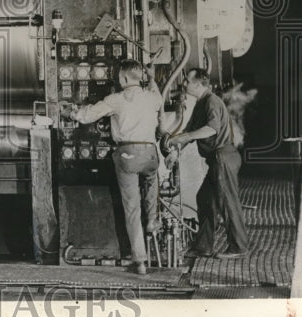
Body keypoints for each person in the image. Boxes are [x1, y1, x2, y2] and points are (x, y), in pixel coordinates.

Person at [61, 59, 163, 275]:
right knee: (152, 182)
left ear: (123, 78)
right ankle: (153, 218)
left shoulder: (116, 99)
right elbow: (159, 97)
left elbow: (87, 116)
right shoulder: (152, 97)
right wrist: (152, 77)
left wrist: (70, 113)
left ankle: (141, 261)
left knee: (132, 208)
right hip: (151, 153)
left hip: (128, 153)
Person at [168, 67, 249, 259]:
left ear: (198, 84)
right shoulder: (200, 103)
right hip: (217, 159)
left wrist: (185, 137)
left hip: (223, 157)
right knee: (205, 199)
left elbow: (211, 129)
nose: (184, 84)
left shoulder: (211, 101)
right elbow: (188, 130)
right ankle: (203, 246)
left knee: (227, 202)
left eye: (187, 81)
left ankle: (239, 247)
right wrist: (174, 149)